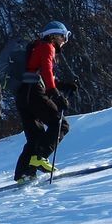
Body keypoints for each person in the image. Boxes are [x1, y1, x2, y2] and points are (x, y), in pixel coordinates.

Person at [12, 20, 80, 182]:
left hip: (23, 96)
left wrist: (63, 85)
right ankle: (40, 157)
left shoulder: (36, 48)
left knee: (35, 136)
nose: (64, 42)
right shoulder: (47, 47)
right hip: (34, 93)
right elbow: (47, 72)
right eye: (64, 37)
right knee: (60, 124)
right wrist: (56, 94)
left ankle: (24, 174)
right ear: (55, 36)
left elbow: (40, 73)